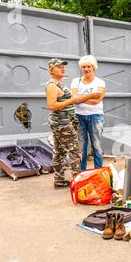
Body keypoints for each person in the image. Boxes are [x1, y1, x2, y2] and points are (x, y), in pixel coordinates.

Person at [45, 58, 103, 188]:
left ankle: (59, 180)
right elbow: (52, 105)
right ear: (51, 70)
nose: (63, 68)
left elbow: (77, 98)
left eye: (63, 66)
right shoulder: (52, 85)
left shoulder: (59, 84)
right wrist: (72, 101)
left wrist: (84, 97)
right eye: (59, 66)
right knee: (75, 151)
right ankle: (79, 182)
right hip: (62, 123)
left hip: (62, 122)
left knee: (59, 152)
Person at [71, 55, 106, 170]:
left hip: (95, 116)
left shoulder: (100, 83)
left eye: (89, 66)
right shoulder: (76, 82)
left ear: (93, 67)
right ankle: (82, 172)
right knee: (81, 146)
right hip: (79, 116)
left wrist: (80, 98)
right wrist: (90, 95)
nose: (86, 69)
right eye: (84, 67)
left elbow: (97, 101)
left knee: (96, 145)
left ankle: (98, 172)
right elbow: (74, 100)